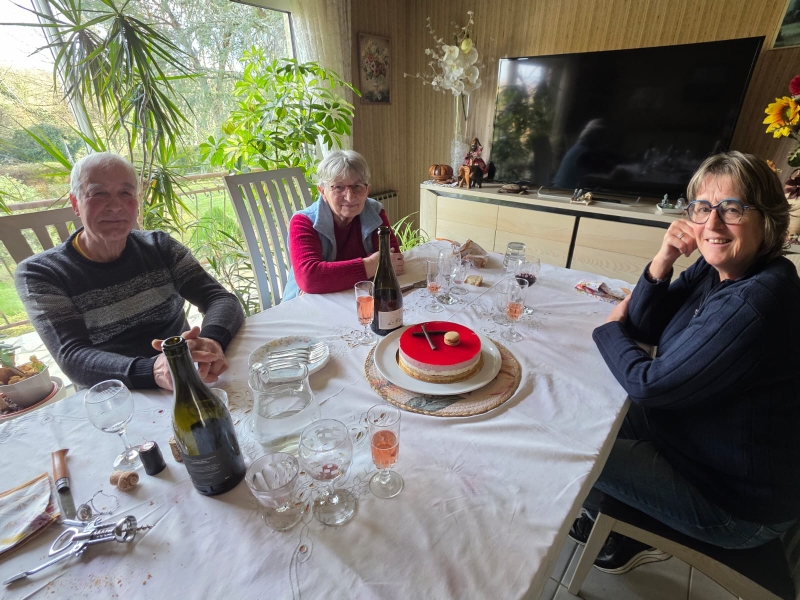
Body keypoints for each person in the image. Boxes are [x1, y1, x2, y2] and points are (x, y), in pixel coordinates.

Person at [571, 151, 800, 574]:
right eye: (703, 208)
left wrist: (607, 329)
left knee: (571, 449)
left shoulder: (757, 300)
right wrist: (663, 260)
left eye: (732, 209)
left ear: (767, 218)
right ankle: (615, 510)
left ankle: (626, 531)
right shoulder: (720, 269)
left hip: (732, 502)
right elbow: (645, 324)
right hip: (692, 436)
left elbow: (648, 384)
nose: (712, 224)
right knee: (581, 405)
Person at [15, 153, 244, 391]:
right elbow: (73, 356)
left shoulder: (160, 247)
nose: (116, 206)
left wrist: (211, 340)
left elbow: (219, 298)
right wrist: (153, 369)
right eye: (98, 193)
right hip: (115, 394)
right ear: (75, 203)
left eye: (126, 192)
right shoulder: (40, 273)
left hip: (186, 375)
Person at [283, 150, 403, 300]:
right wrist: (372, 264)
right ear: (322, 191)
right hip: (306, 305)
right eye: (338, 187)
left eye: (357, 186)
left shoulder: (375, 212)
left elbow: (393, 261)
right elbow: (309, 278)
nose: (350, 197)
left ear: (367, 190)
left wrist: (327, 278)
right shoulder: (303, 222)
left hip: (354, 298)